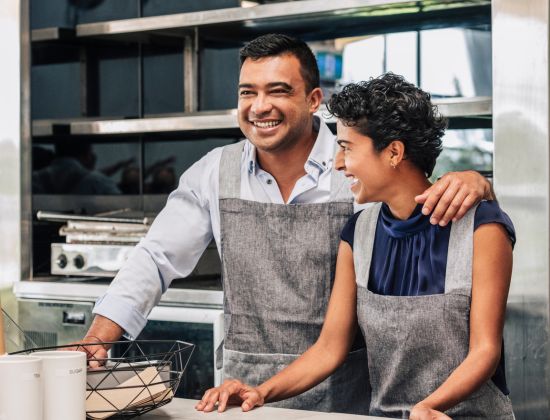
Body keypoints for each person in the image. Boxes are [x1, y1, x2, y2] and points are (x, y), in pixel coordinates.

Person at [78, 35, 495, 414]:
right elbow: (156, 257)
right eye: (248, 92)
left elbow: (414, 194)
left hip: (344, 394)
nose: (260, 106)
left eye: (278, 90)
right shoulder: (214, 172)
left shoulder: (357, 170)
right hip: (247, 395)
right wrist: (99, 337)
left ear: (314, 99)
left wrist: (480, 183)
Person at [195, 73, 515, 419]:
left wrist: (429, 407)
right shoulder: (359, 231)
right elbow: (329, 348)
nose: (337, 163)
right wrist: (260, 391)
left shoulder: (481, 227)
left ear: (394, 152)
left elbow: (485, 350)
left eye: (347, 147)